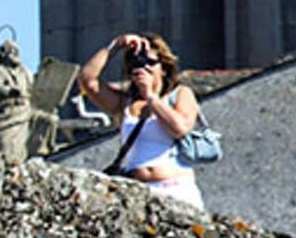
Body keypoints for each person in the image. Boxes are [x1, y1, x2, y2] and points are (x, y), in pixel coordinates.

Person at [77, 32, 203, 209]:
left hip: (175, 188)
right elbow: (87, 80)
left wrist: (151, 97)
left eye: (150, 63)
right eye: (136, 63)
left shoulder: (180, 95)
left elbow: (180, 128)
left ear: (164, 68)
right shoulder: (125, 104)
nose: (143, 68)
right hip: (139, 191)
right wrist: (116, 46)